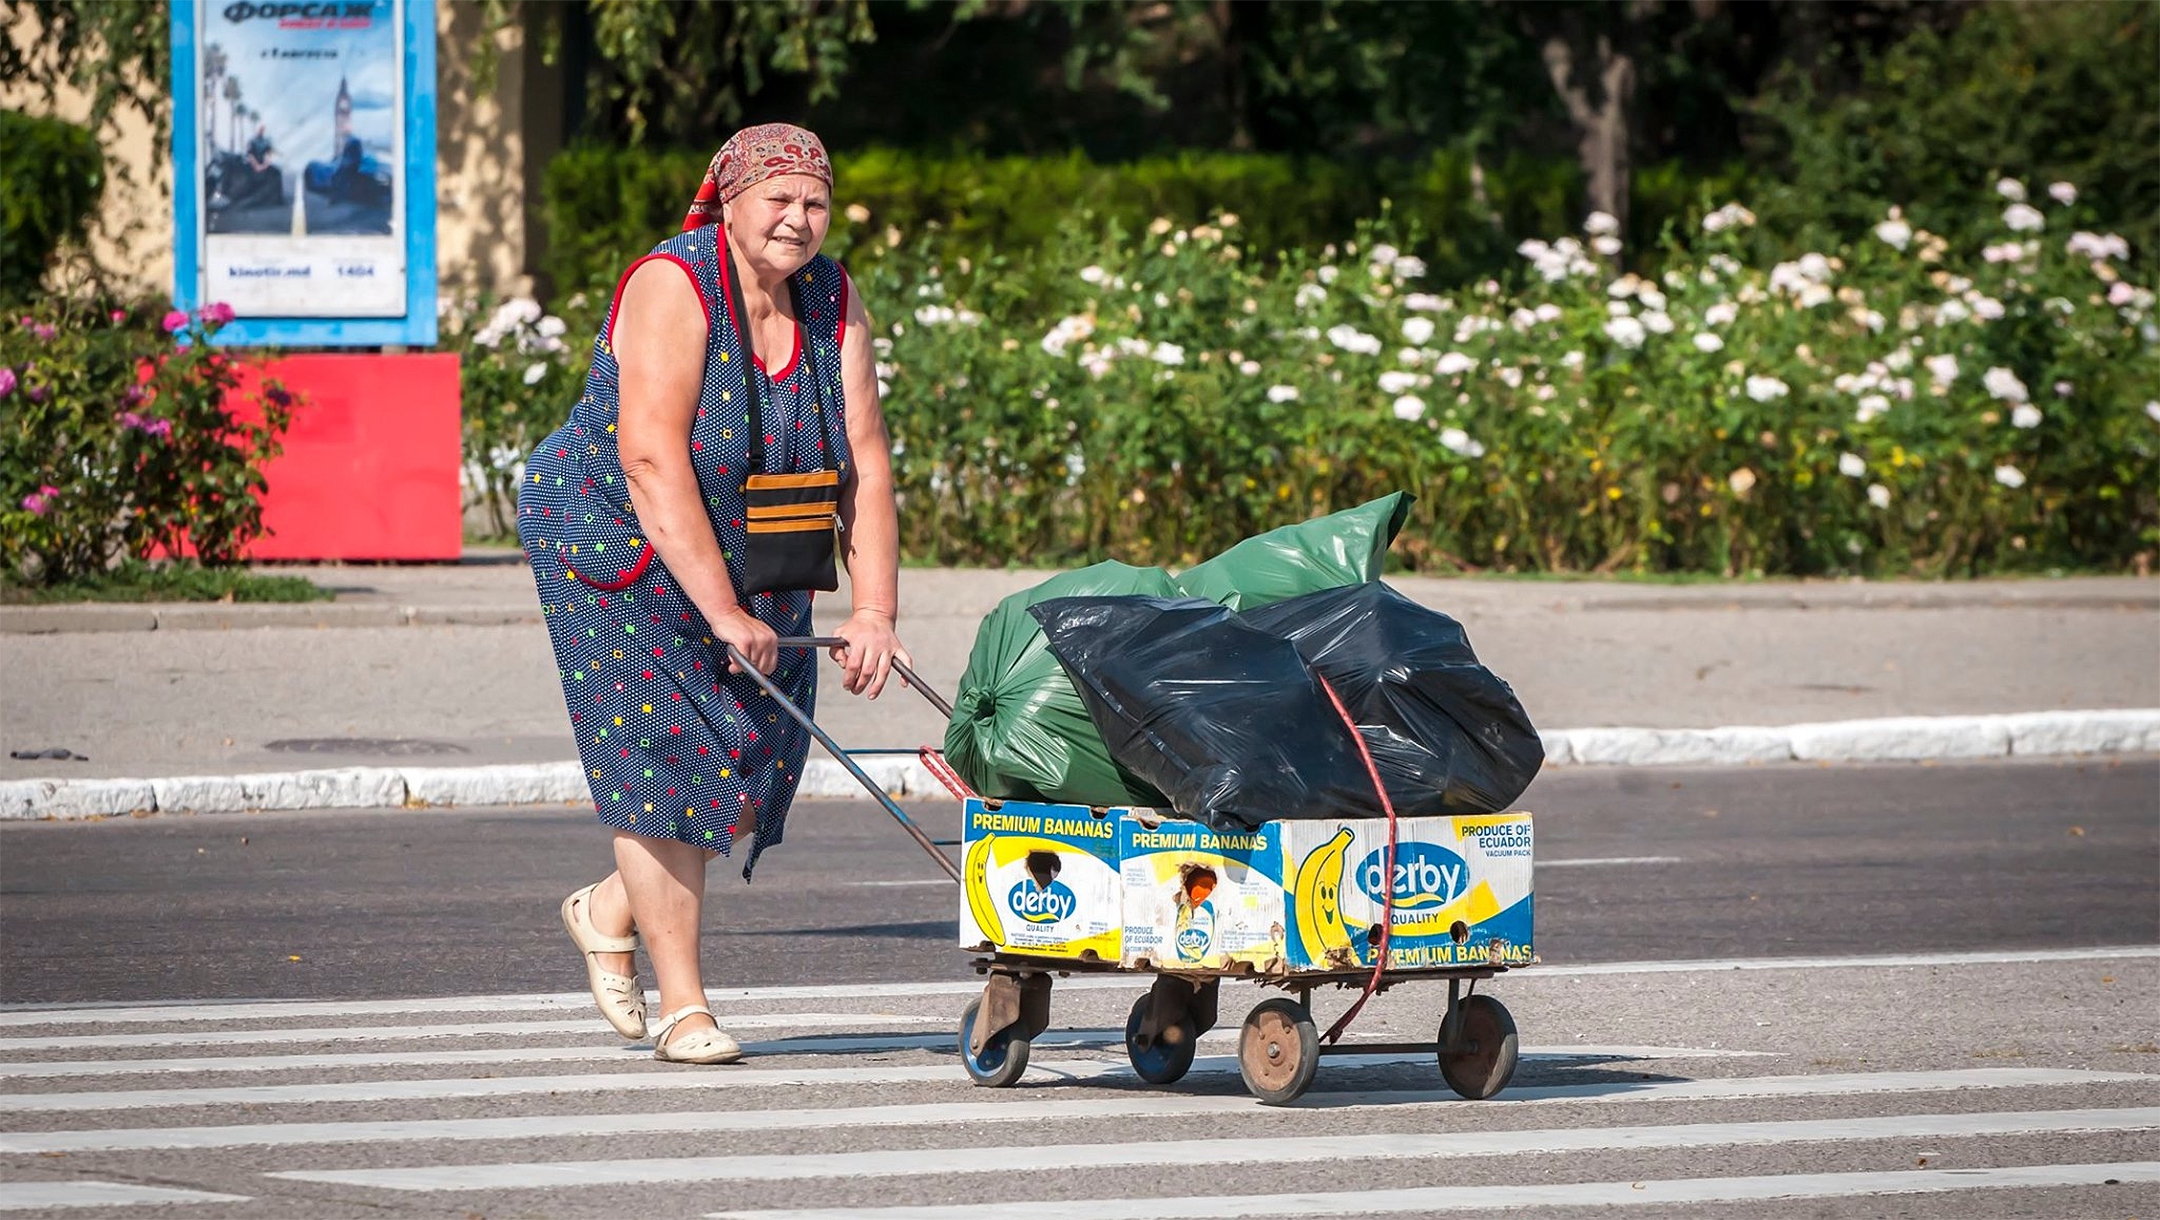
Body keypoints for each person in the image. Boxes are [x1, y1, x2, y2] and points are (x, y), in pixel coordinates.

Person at [516, 123, 910, 1064]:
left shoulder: (833, 297)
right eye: (778, 198)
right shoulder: (674, 284)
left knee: (752, 765)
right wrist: (720, 613)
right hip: (613, 533)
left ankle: (610, 904)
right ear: (728, 200)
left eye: (813, 201)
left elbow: (866, 463)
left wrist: (875, 611)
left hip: (755, 538)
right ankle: (685, 1007)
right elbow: (650, 459)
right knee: (668, 754)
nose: (798, 219)